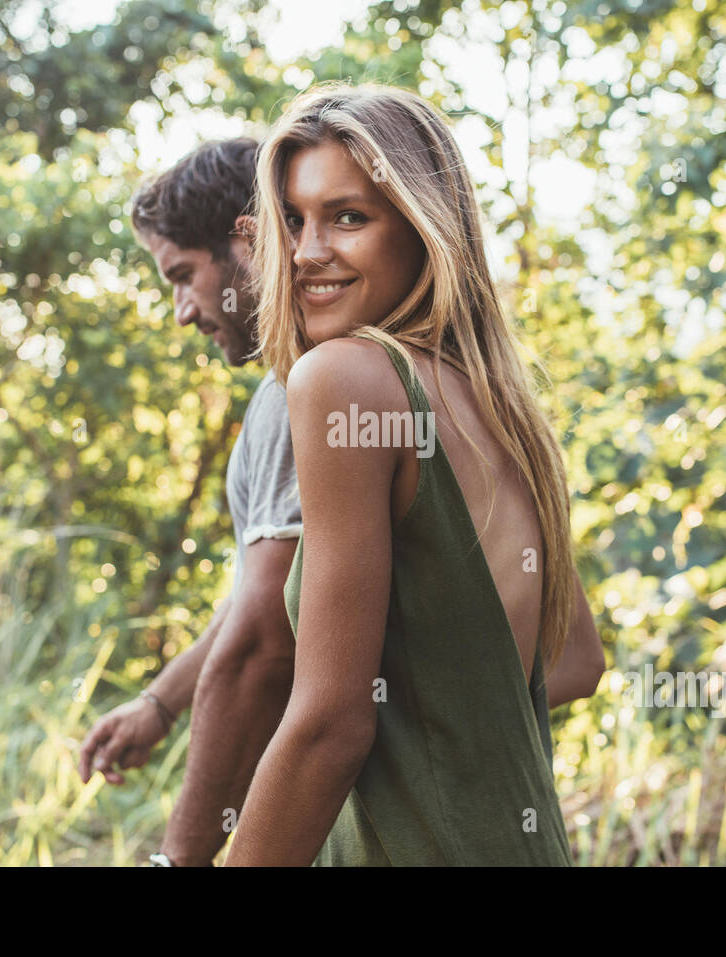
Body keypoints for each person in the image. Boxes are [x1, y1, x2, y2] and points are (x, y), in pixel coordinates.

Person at [223, 83, 607, 866]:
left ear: (425, 228)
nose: (306, 253)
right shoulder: (500, 404)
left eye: (348, 217)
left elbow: (330, 721)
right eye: (292, 221)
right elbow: (575, 661)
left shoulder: (344, 379)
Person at [76, 138, 303, 867]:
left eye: (182, 275)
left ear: (245, 243)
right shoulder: (448, 375)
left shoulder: (305, 392)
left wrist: (177, 861)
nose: (180, 312)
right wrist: (161, 702)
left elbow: (265, 639)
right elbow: (273, 600)